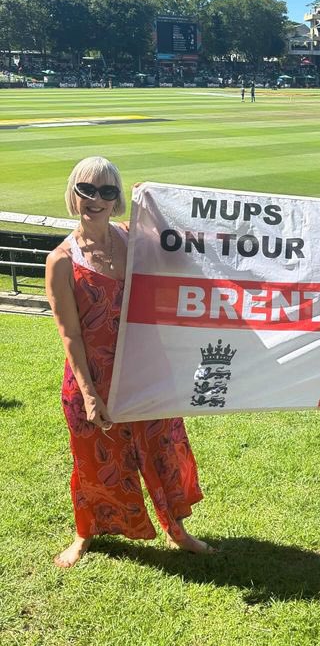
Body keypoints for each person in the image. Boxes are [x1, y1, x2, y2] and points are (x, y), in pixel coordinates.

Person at [46, 156, 214, 568]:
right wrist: (88, 395)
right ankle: (84, 534)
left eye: (107, 191)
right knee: (95, 459)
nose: (96, 199)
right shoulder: (62, 261)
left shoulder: (132, 240)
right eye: (88, 190)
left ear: (118, 198)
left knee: (162, 449)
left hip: (144, 373)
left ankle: (177, 530)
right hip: (93, 380)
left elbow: (187, 251)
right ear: (74, 194)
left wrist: (154, 208)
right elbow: (70, 335)